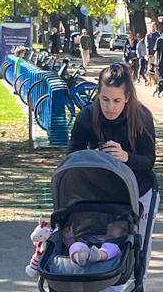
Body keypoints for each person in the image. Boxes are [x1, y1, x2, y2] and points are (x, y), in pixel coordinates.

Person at [67, 63, 158, 258]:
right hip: (102, 191)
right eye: (105, 99)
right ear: (98, 94)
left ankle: (135, 282)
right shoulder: (87, 116)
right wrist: (96, 158)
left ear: (127, 97)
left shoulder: (141, 117)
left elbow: (149, 161)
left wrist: (125, 157)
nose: (110, 107)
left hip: (139, 189)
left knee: (137, 248)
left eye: (117, 100)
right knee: (106, 241)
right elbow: (72, 157)